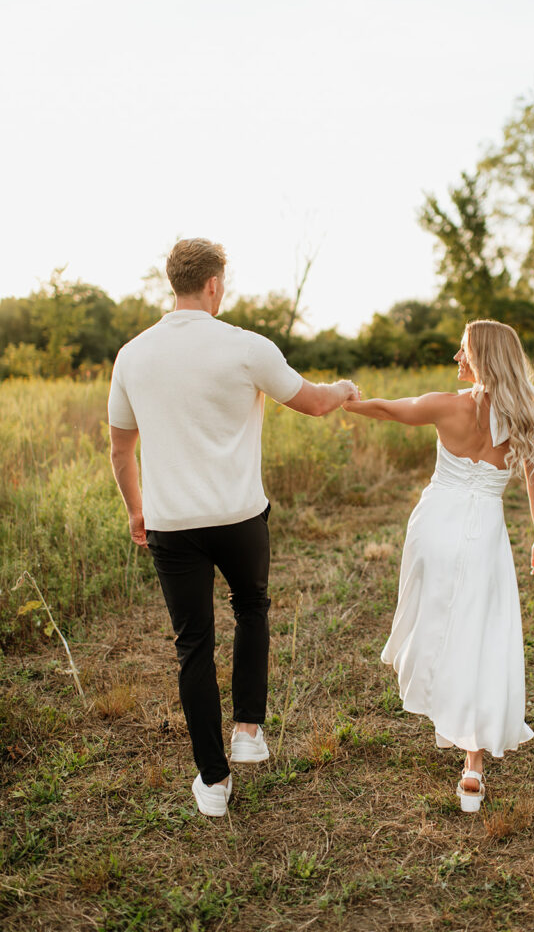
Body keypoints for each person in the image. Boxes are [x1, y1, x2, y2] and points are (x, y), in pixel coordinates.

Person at [108, 237, 358, 817]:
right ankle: (248, 730)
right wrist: (344, 390)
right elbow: (316, 402)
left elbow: (122, 450)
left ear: (173, 283)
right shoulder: (248, 347)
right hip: (241, 517)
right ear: (215, 284)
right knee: (251, 606)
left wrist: (135, 509)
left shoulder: (132, 355)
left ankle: (214, 783)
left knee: (192, 645)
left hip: (172, 525)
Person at [343, 319, 534, 812]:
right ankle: (472, 764)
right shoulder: (528, 420)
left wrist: (346, 399)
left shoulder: (447, 405)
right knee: (478, 634)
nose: (458, 360)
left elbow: (390, 411)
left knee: (435, 620)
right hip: (484, 534)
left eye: (463, 352)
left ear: (483, 357)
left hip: (436, 527)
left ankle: (441, 699)